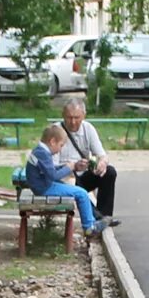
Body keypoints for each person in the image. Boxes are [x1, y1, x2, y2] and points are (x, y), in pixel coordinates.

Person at [26, 123, 101, 238]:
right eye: (61, 145)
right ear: (52, 141)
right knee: (81, 193)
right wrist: (68, 168)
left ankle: (91, 222)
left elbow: (48, 169)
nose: (60, 150)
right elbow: (53, 176)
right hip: (44, 188)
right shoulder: (43, 153)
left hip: (42, 184)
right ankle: (89, 227)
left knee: (73, 189)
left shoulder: (40, 150)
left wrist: (69, 166)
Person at [59, 97, 120, 227]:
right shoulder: (56, 131)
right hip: (64, 179)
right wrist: (73, 166)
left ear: (83, 116)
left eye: (77, 118)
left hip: (83, 175)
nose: (73, 122)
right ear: (63, 115)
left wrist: (101, 163)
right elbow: (50, 165)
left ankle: (105, 214)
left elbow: (102, 155)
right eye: (69, 118)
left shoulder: (88, 129)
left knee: (109, 172)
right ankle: (98, 218)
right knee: (74, 184)